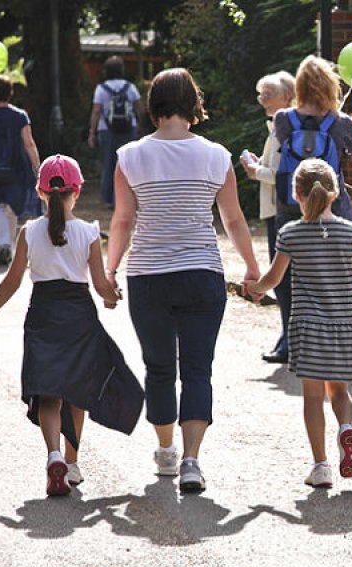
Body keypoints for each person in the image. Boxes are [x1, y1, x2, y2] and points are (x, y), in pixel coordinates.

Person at [106, 67, 261, 494]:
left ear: (154, 105)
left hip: (149, 276)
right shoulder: (215, 155)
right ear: (194, 103)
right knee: (197, 370)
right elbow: (232, 218)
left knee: (158, 368)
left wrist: (109, 269)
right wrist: (251, 266)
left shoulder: (130, 156)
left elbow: (122, 220)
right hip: (202, 274)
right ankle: (193, 461)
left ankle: (166, 450)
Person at [0, 154, 144, 497]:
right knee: (77, 392)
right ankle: (72, 461)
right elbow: (99, 284)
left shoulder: (28, 232)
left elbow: (12, 281)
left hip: (43, 315)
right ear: (76, 192)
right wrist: (112, 295)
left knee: (47, 392)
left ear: (40, 192)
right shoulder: (89, 232)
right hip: (79, 316)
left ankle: (52, 457)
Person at [244, 159, 352, 488]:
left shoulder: (291, 234)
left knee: (313, 398)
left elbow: (273, 278)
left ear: (296, 194)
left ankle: (321, 466)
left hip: (309, 327)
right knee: (339, 391)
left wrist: (253, 289)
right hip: (345, 326)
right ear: (335, 193)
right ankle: (346, 429)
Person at [267, 56, 352, 365]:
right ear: (330, 85)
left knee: (285, 273)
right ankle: (334, 340)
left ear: (299, 86)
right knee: (334, 273)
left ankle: (289, 341)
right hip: (332, 209)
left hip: (290, 205)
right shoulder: (339, 123)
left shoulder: (284, 119)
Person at [240, 70, 295, 361]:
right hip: (277, 208)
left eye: (268, 94)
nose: (262, 100)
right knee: (284, 279)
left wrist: (255, 171)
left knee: (283, 279)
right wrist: (261, 164)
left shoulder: (286, 128)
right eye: (260, 94)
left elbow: (284, 175)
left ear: (287, 96)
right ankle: (287, 337)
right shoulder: (280, 126)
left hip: (280, 210)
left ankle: (290, 341)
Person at [0, 75, 41, 266]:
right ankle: (7, 245)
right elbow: (28, 143)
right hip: (16, 167)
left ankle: (4, 245)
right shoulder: (20, 116)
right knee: (12, 206)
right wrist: (37, 166)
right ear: (11, 93)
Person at [87, 56, 142, 209]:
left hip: (106, 130)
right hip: (128, 128)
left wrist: (92, 132)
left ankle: (109, 199)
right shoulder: (130, 87)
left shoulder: (101, 88)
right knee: (128, 164)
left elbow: (96, 111)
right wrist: (139, 125)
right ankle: (127, 198)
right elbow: (139, 107)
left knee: (108, 164)